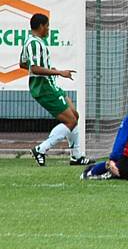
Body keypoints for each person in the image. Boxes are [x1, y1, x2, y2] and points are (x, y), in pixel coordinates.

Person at [20, 13, 94, 166]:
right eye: (47, 26)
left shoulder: (34, 41)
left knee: (75, 115)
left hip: (50, 85)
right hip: (44, 88)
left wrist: (48, 69)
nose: (48, 29)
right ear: (41, 26)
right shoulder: (35, 44)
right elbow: (34, 68)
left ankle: (76, 156)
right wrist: (58, 72)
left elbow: (22, 63)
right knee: (71, 120)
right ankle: (41, 149)